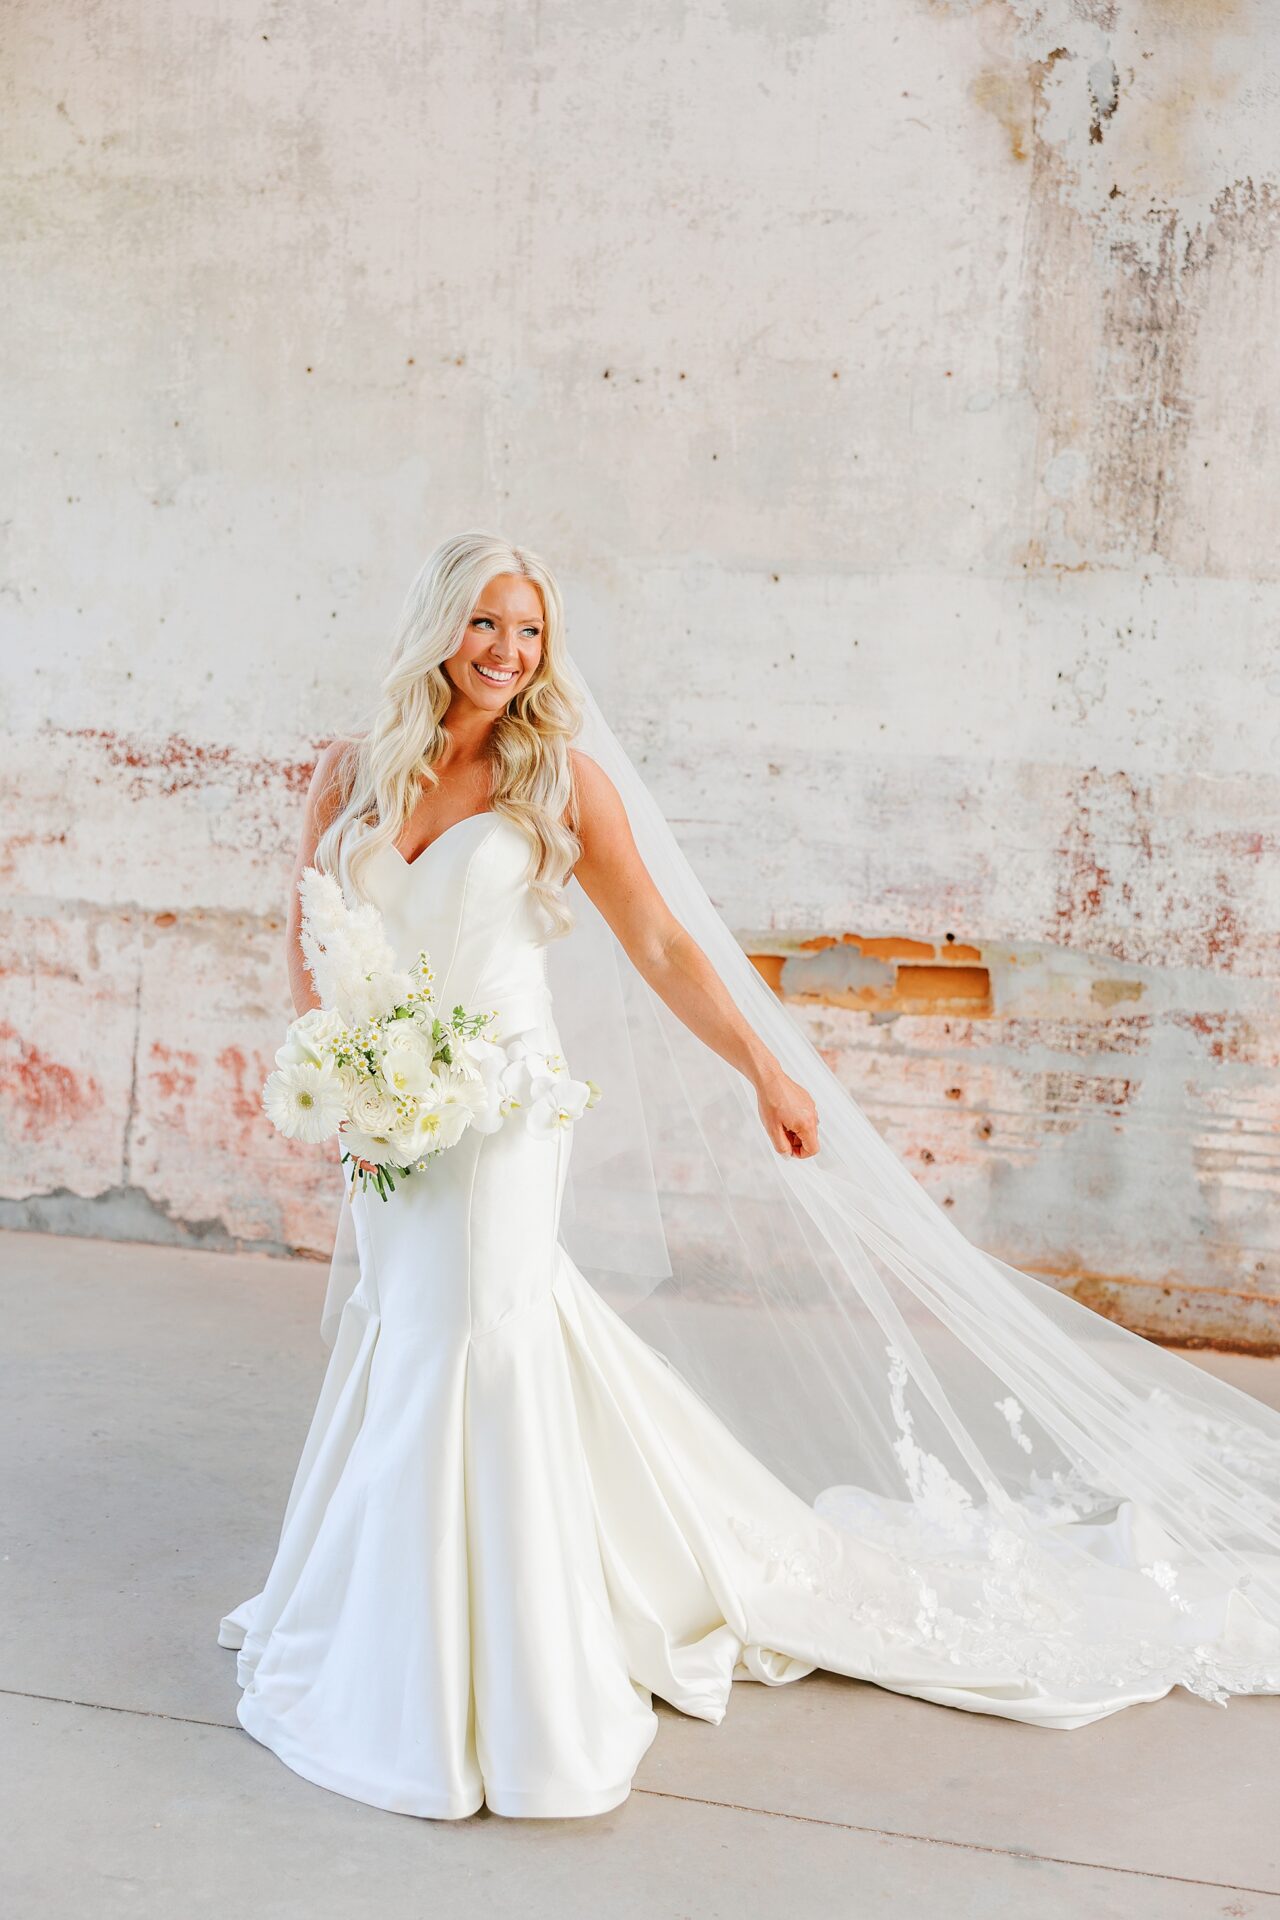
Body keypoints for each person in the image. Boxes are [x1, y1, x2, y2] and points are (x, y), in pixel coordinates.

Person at [219, 531, 1280, 1821]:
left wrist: (766, 1071)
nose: (508, 652)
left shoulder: (560, 779)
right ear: (440, 624)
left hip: (504, 1108)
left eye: (532, 631)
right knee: (408, 1336)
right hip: (388, 1114)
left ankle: (499, 1681)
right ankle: (391, 1627)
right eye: (488, 624)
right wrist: (329, 1076)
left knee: (474, 1339)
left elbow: (662, 942)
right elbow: (307, 926)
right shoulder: (351, 770)